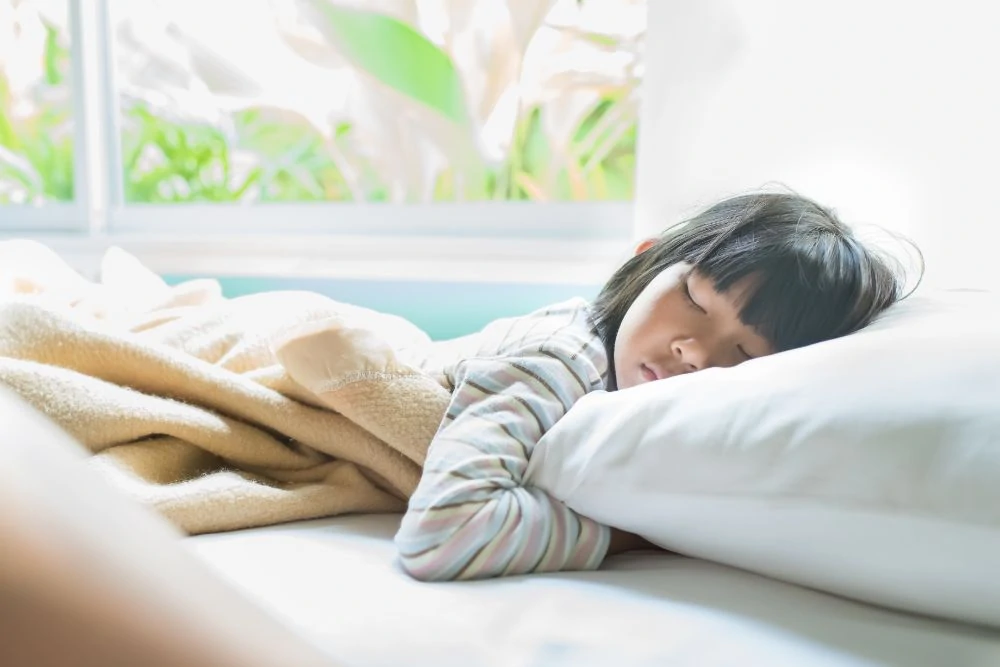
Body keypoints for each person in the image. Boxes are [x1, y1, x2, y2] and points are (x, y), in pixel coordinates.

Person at [394, 191, 916, 581]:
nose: (695, 350)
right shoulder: (559, 359)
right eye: (695, 300)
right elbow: (444, 533)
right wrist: (631, 535)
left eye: (746, 354)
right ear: (648, 258)